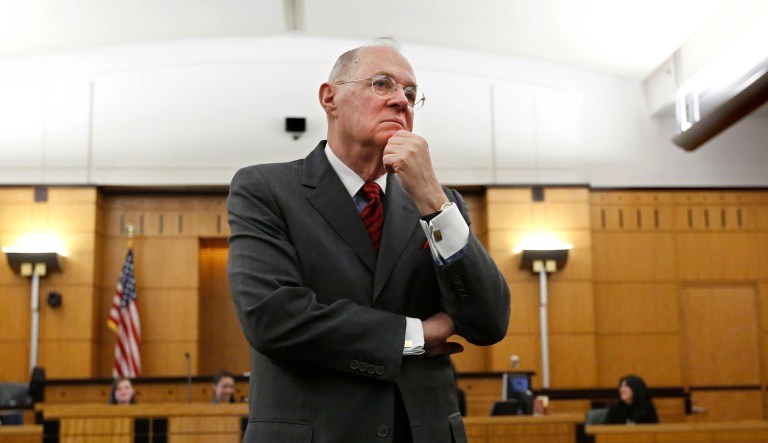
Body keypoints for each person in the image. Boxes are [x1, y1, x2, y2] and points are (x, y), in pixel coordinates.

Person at [227, 39, 510, 442]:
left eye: (411, 93)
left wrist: (432, 198)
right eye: (382, 84)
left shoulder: (441, 205)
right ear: (330, 98)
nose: (401, 101)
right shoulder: (265, 189)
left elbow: (489, 322)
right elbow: (272, 318)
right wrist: (412, 336)